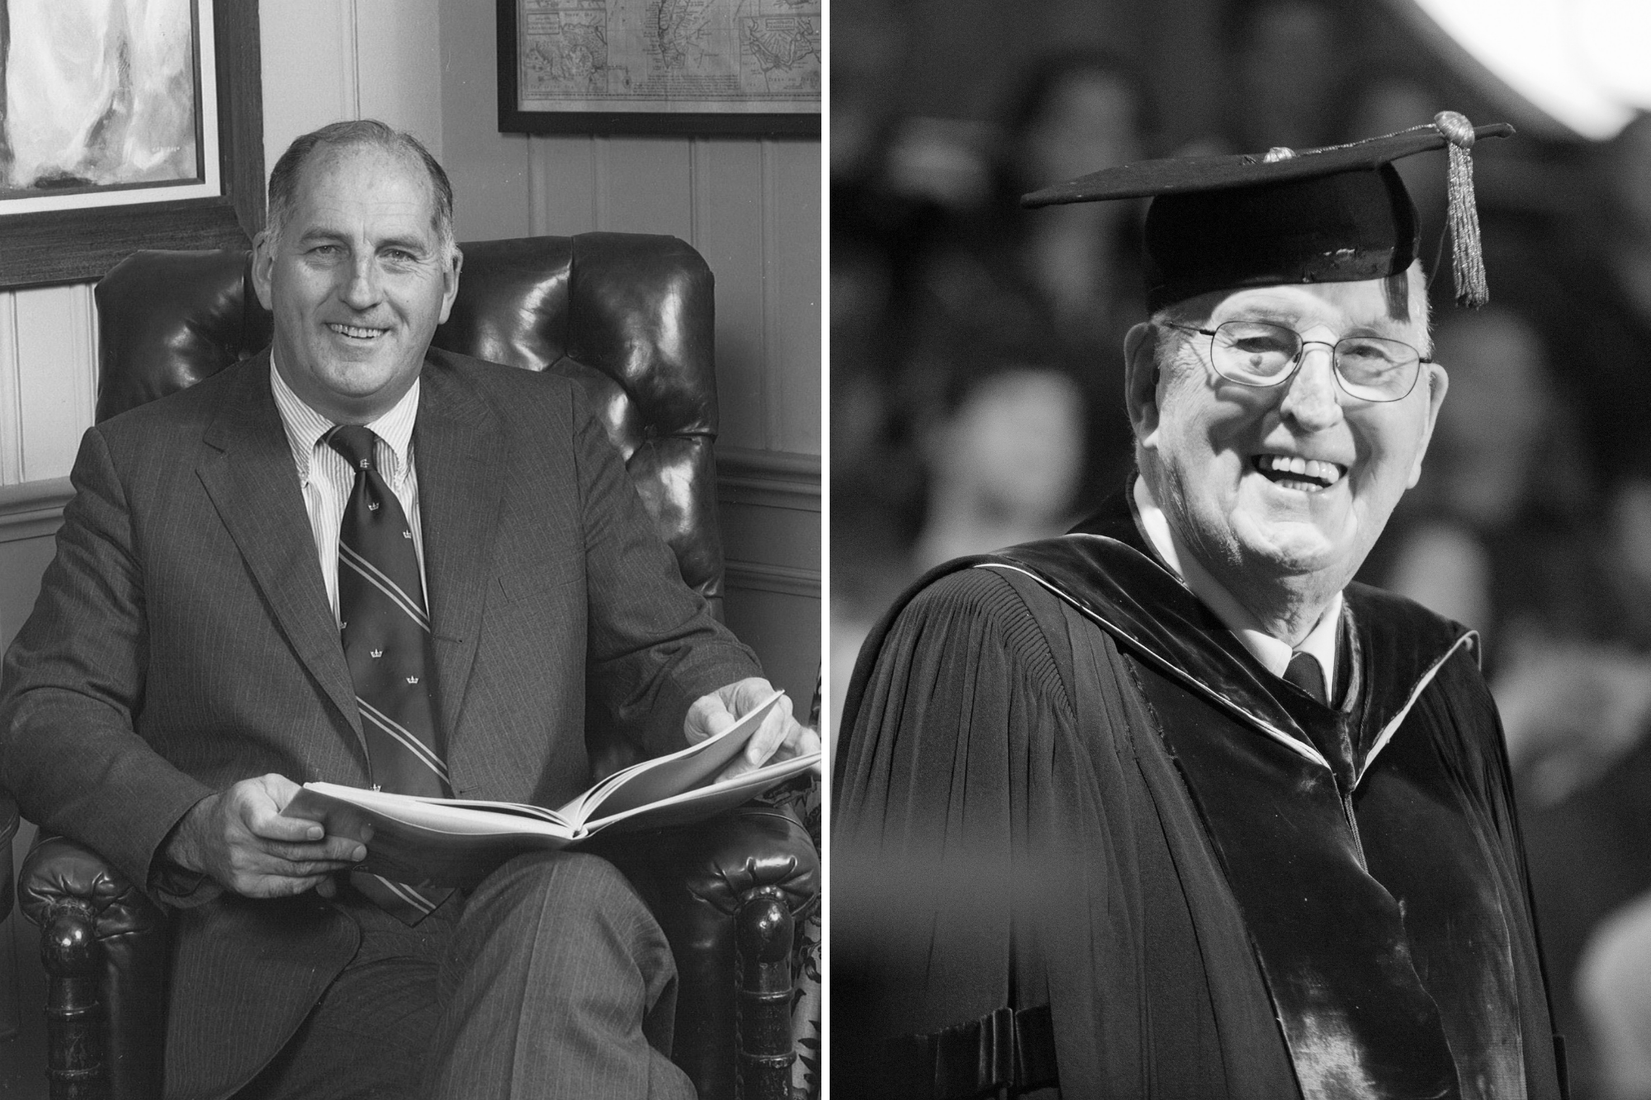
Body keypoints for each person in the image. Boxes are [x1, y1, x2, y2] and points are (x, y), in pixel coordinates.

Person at [0, 119, 814, 1099]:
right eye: (324, 251)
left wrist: (715, 696)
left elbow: (668, 644)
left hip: (543, 919)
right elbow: (43, 708)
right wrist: (196, 823)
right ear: (267, 267)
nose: (361, 291)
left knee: (566, 901)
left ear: (447, 277)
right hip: (300, 976)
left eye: (397, 255)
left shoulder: (548, 435)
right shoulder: (145, 465)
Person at [834, 114, 1566, 1099]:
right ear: (1145, 386)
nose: (1315, 404)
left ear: (1425, 416)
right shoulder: (995, 648)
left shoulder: (1435, 683)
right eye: (1258, 345)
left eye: (1369, 358)